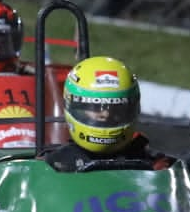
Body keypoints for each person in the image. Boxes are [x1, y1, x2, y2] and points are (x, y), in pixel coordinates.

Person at [46, 56, 174, 170]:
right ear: (74, 107)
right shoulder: (55, 164)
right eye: (95, 107)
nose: (105, 114)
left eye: (115, 108)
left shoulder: (158, 165)